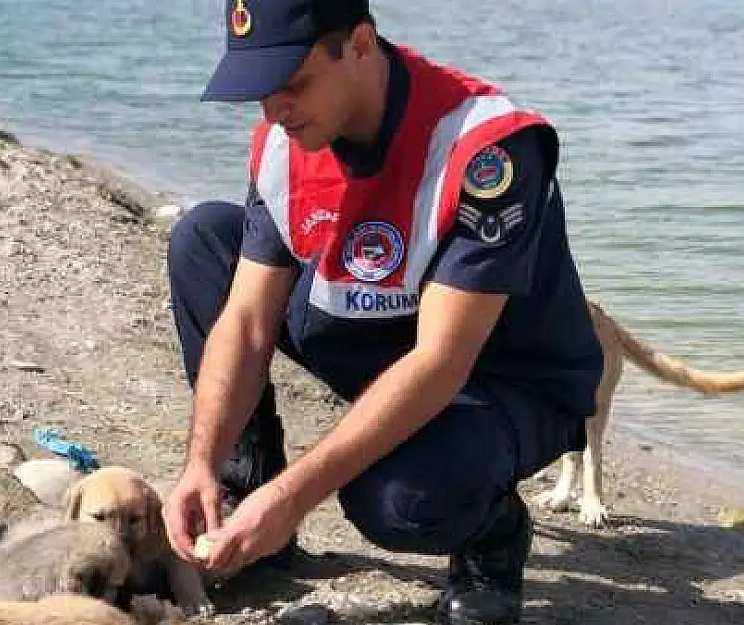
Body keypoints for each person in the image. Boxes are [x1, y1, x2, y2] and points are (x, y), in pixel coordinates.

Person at [160, 1, 605, 624]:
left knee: (397, 502)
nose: (274, 109)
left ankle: (493, 533)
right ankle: (243, 490)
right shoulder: (285, 141)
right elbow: (247, 320)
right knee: (205, 240)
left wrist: (294, 498)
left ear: (361, 45)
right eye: (260, 90)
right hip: (382, 339)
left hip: (499, 379)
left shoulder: (486, 151)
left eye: (292, 82)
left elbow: (441, 363)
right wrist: (201, 465)